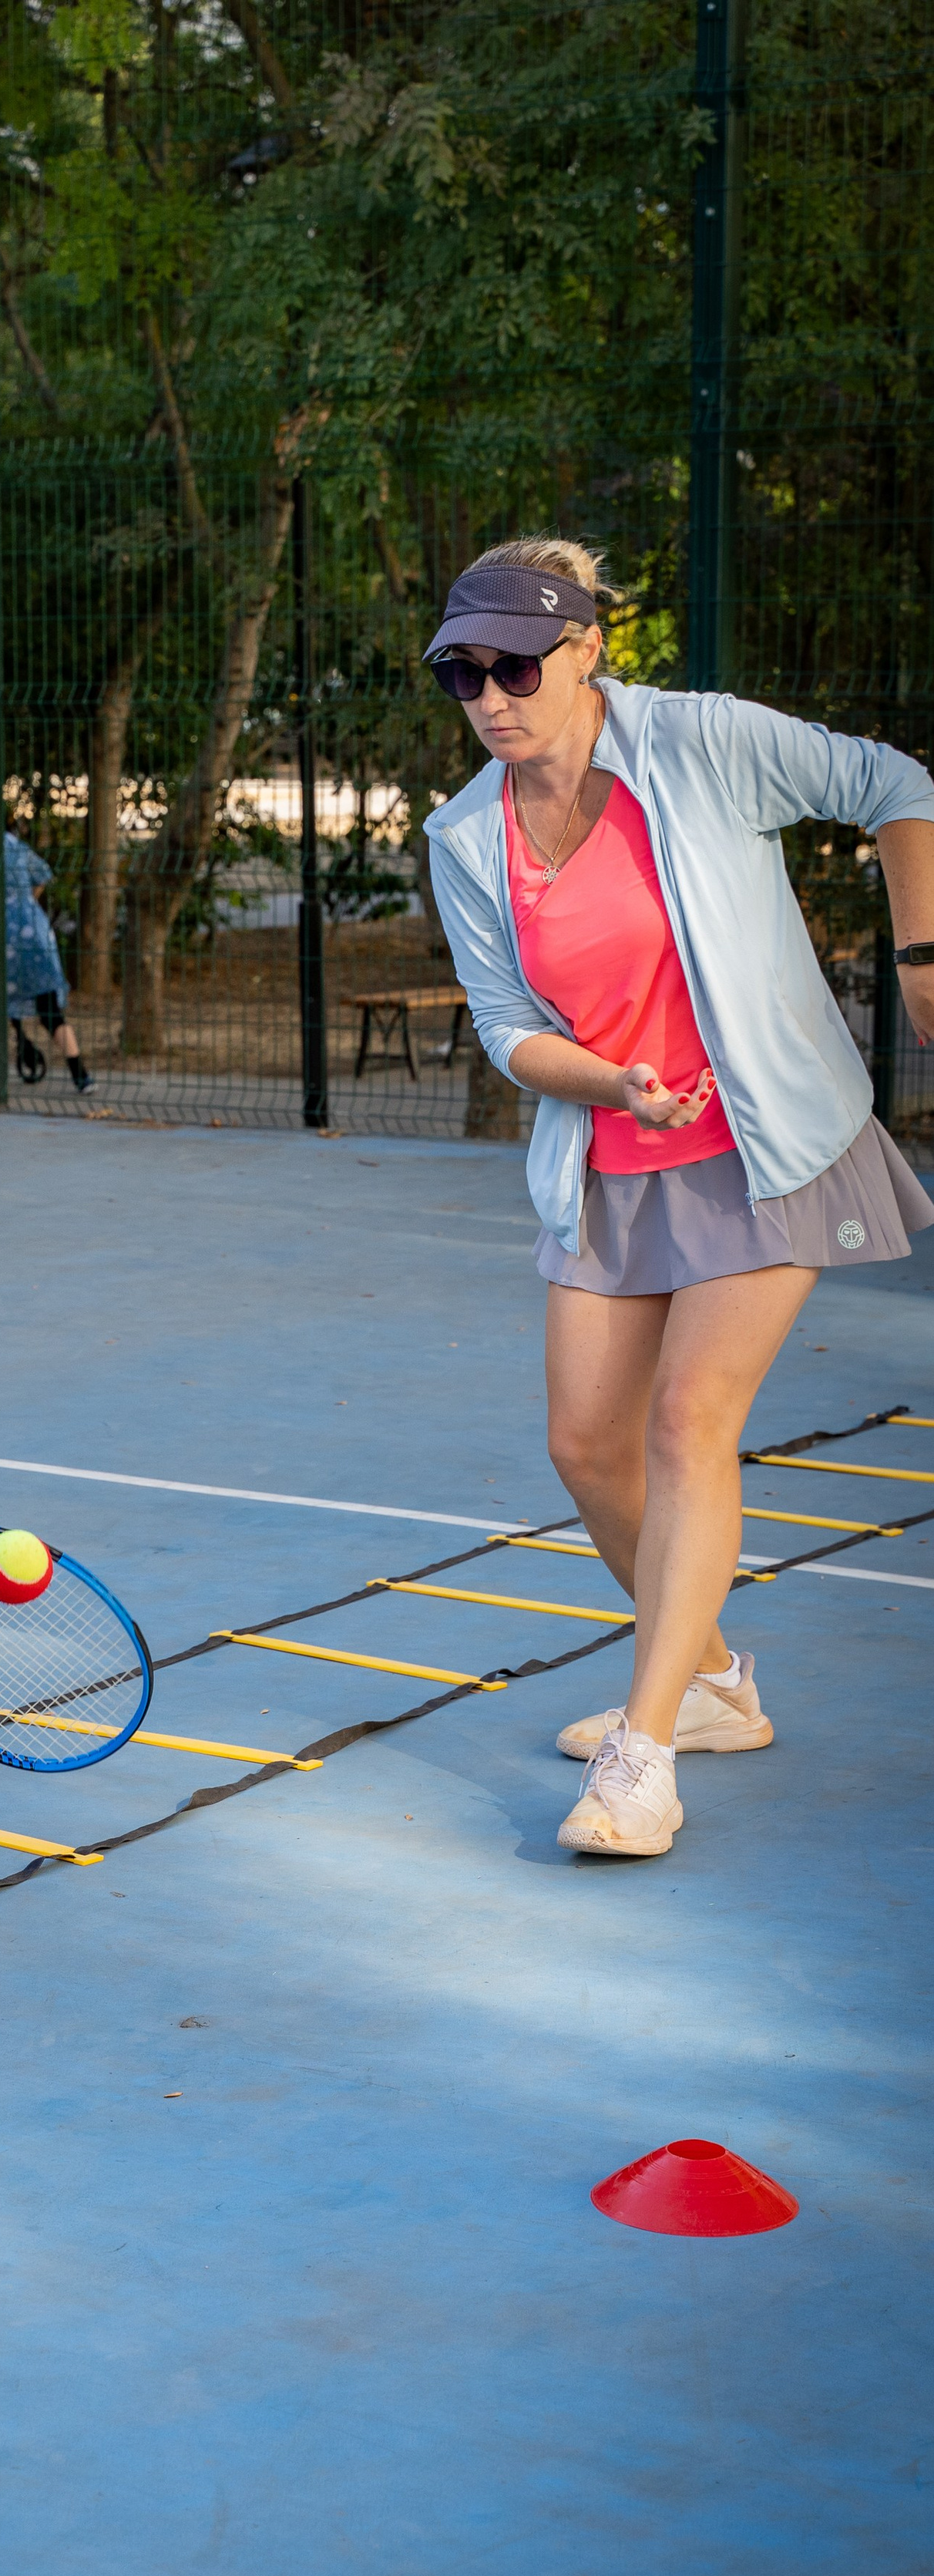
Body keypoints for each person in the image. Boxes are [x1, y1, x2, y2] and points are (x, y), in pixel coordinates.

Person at [423, 535, 934, 1859]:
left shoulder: (700, 745)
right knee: (585, 1449)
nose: (492, 695)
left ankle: (644, 1764)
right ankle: (711, 1684)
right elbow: (504, 1029)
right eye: (463, 674)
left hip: (769, 1142)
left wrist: (925, 953)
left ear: (587, 650)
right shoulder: (466, 834)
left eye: (517, 664)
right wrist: (610, 1084)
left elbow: (896, 784)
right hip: (615, 1157)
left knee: (688, 1418)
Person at [0, 808, 95, 1092]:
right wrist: (23, 903)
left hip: (1, 936)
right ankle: (81, 1076)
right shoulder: (15, 845)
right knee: (50, 1010)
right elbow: (43, 875)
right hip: (37, 933)